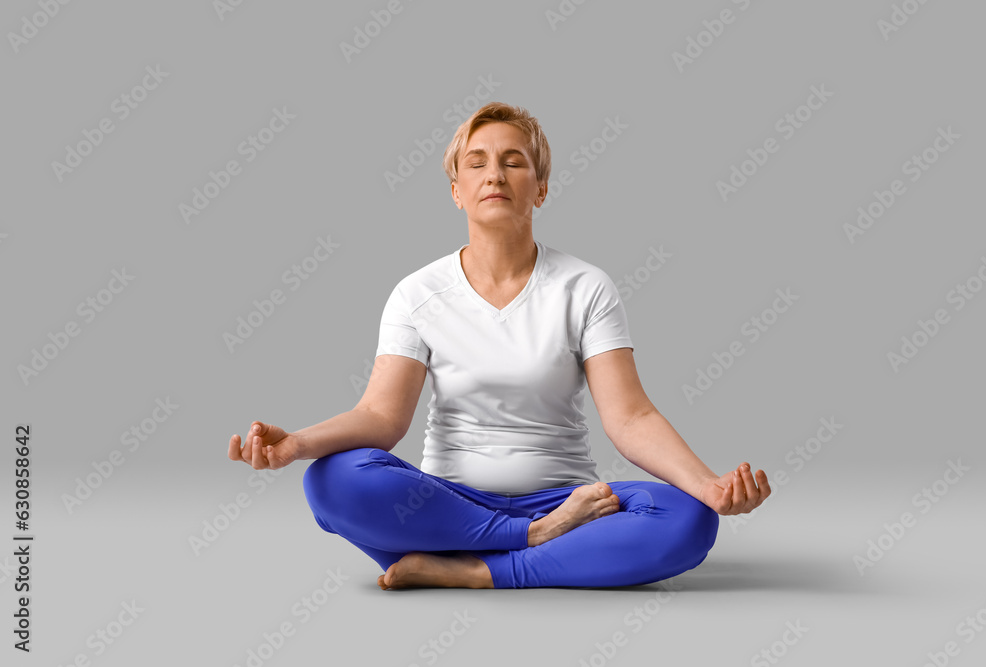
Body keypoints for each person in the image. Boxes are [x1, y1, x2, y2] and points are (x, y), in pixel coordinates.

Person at [227, 102, 771, 590]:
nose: (495, 174)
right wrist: (298, 443)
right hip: (447, 507)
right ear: (456, 189)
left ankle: (470, 568)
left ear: (540, 186)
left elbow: (630, 417)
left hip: (569, 503)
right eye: (477, 162)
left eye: (514, 161)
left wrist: (709, 485)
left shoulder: (585, 287)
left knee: (689, 518)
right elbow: (380, 416)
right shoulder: (417, 293)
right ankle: (533, 543)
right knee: (331, 479)